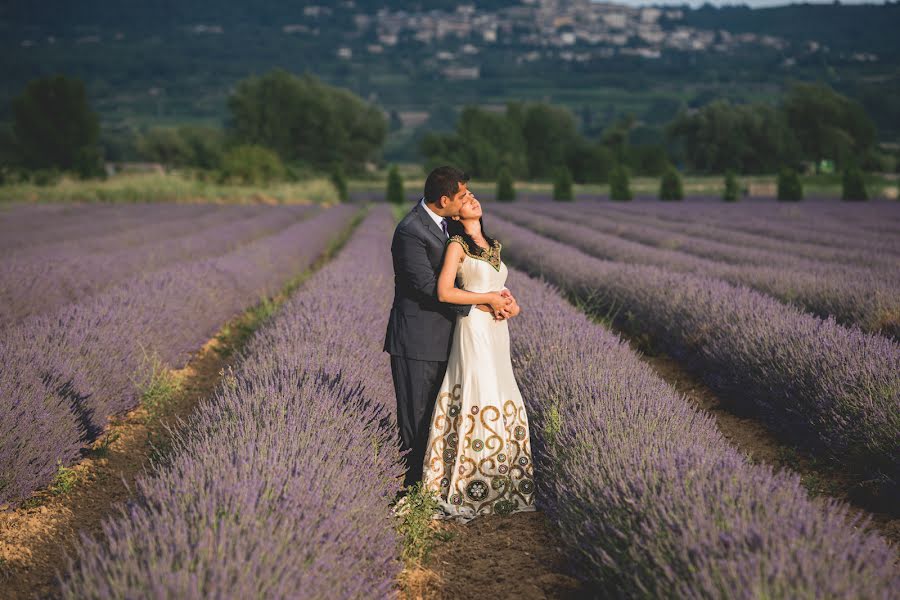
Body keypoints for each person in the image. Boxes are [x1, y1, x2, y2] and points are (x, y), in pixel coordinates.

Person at [384, 166, 516, 496]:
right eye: (461, 196)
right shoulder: (410, 231)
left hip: (455, 337)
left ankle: (441, 486)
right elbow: (428, 287)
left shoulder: (450, 226)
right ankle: (414, 493)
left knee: (444, 416)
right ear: (445, 200)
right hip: (418, 339)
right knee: (416, 419)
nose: (467, 199)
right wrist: (482, 303)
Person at [420, 192, 536, 521]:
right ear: (455, 215)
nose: (471, 199)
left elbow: (501, 291)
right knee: (479, 391)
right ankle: (470, 483)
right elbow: (445, 291)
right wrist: (487, 298)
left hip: (498, 332)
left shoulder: (493, 244)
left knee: (501, 391)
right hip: (473, 328)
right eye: (464, 198)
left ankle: (502, 482)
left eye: (472, 196)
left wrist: (510, 304)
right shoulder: (456, 245)